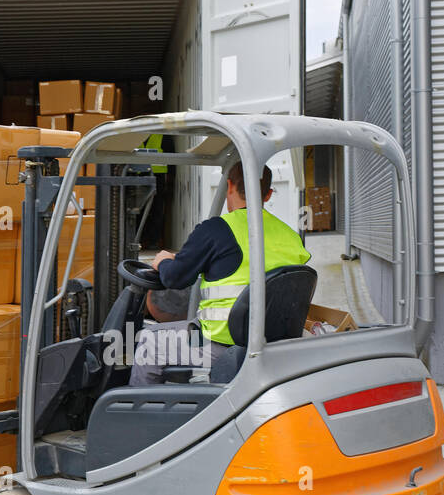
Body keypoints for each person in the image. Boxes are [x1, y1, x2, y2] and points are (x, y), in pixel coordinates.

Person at [128, 161, 310, 386]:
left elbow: (174, 278)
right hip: (275, 343)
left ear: (229, 186)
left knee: (149, 341)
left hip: (226, 343)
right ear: (268, 194)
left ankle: (139, 407)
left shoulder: (215, 229)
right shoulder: (291, 236)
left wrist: (163, 261)